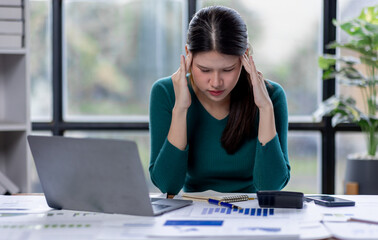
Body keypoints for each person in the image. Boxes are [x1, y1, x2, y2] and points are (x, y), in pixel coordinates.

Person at [149, 5, 290, 194]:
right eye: (204, 70)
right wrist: (180, 109)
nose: (216, 82)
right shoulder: (165, 92)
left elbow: (271, 186)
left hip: (253, 211)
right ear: (188, 55)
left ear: (245, 56)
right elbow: (168, 186)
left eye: (228, 70)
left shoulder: (272, 95)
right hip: (193, 212)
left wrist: (265, 108)